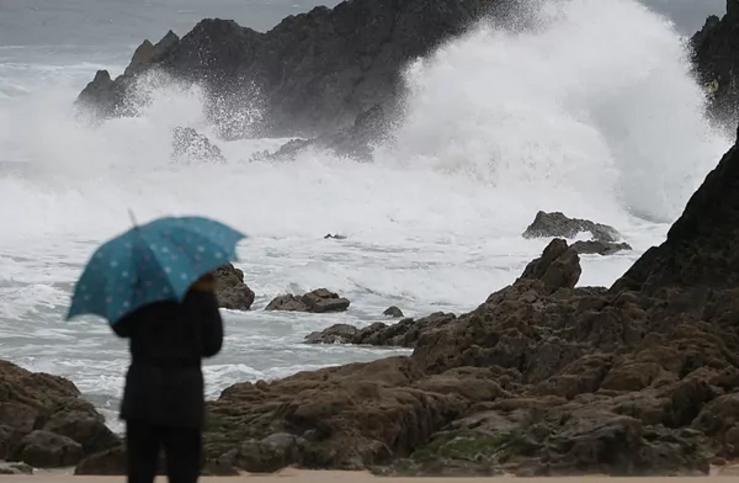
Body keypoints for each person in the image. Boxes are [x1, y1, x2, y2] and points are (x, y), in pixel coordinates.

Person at [113, 273, 223, 483]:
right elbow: (213, 344)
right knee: (184, 470)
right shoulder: (201, 292)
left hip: (143, 389)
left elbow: (120, 327)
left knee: (140, 470)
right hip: (185, 392)